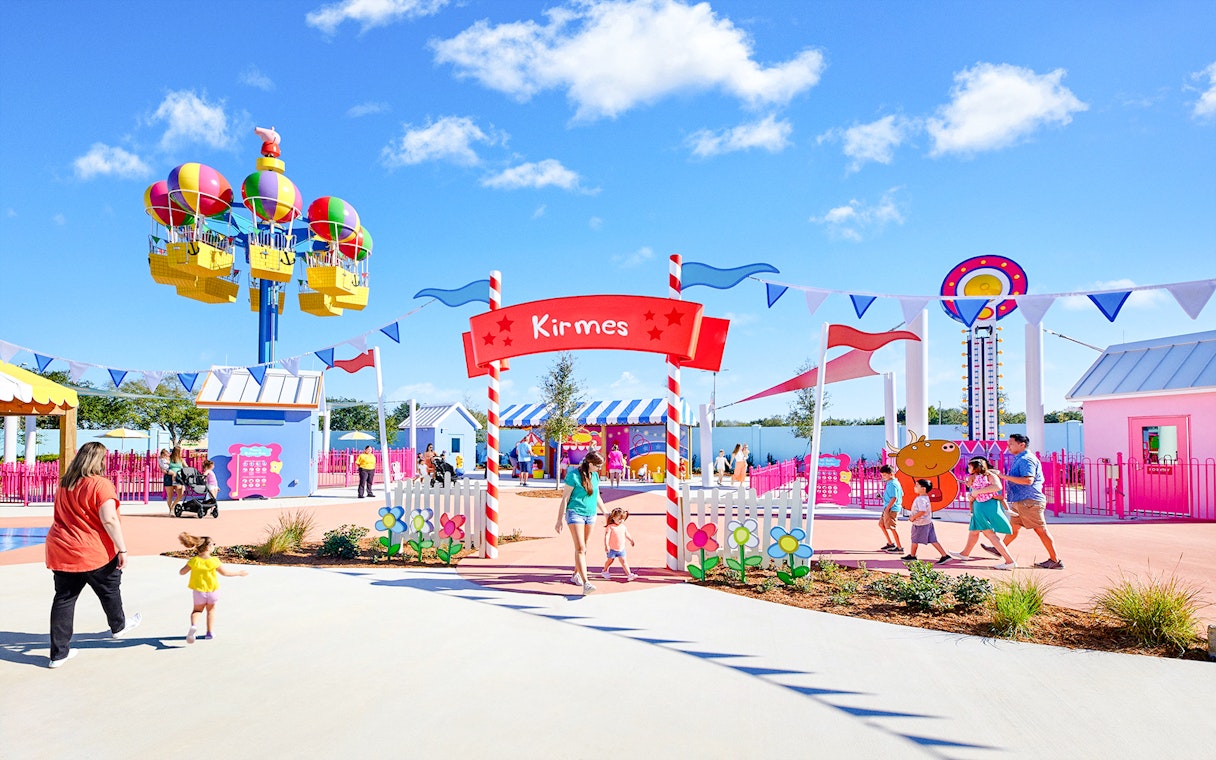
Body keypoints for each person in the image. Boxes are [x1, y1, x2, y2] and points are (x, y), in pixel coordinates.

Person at [44, 442, 141, 668]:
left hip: (62, 548)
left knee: (64, 599)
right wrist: (122, 548)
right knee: (109, 589)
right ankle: (119, 626)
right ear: (100, 461)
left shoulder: (64, 484)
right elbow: (109, 519)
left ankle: (58, 655)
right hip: (91, 549)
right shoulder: (101, 485)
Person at [985, 433, 1063, 569]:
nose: (1008, 446)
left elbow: (1028, 480)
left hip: (1029, 501)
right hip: (1021, 501)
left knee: (1040, 530)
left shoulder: (1026, 459)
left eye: (1011, 444)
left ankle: (1055, 560)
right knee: (1013, 529)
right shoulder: (1019, 458)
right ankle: (999, 549)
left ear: (1022, 445)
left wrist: (1002, 476)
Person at [177, 532, 248, 642]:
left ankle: (194, 626)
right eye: (213, 544)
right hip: (213, 592)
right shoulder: (214, 561)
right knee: (211, 611)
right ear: (208, 547)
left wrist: (188, 569)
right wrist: (239, 573)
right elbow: (225, 573)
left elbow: (182, 572)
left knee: (197, 611)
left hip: (199, 592)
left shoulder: (194, 561)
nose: (214, 546)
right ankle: (209, 633)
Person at [555, 450, 607, 595]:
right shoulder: (573, 475)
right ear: (590, 464)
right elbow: (565, 498)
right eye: (598, 466)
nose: (599, 468)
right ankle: (586, 583)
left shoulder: (595, 476)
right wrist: (559, 519)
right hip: (575, 513)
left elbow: (597, 497)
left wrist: (605, 512)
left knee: (584, 547)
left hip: (591, 515)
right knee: (580, 548)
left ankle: (575, 574)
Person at [955, 457, 1017, 569]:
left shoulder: (989, 475)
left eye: (970, 466)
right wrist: (972, 494)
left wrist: (977, 492)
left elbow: (998, 486)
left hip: (983, 506)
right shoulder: (981, 476)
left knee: (990, 534)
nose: (968, 468)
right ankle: (965, 554)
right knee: (974, 531)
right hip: (979, 505)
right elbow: (971, 487)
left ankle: (1009, 561)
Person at [903, 479, 962, 564]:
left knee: (914, 539)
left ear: (923, 488)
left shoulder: (920, 499)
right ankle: (944, 555)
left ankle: (912, 556)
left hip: (920, 523)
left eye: (917, 485)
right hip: (927, 522)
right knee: (933, 539)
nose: (914, 487)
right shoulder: (925, 497)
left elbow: (922, 511)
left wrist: (913, 517)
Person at [599, 507, 638, 581]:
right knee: (610, 560)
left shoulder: (623, 527)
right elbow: (606, 536)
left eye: (622, 519)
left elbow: (627, 534)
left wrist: (631, 540)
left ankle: (629, 574)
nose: (621, 521)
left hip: (621, 548)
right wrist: (606, 545)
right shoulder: (610, 527)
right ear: (613, 518)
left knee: (624, 561)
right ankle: (604, 570)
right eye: (619, 519)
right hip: (612, 549)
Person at [877, 465, 904, 553]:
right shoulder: (892, 483)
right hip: (888, 507)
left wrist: (888, 508)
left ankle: (899, 547)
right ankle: (890, 543)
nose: (883, 477)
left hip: (891, 508)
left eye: (884, 475)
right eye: (882, 475)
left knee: (892, 527)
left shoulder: (892, 484)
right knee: (881, 524)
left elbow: (894, 497)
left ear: (891, 474)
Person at [166, 446, 186, 512]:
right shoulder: (169, 459)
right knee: (170, 495)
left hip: (178, 478)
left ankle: (173, 506)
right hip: (169, 477)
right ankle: (170, 510)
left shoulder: (181, 460)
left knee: (180, 494)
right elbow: (164, 466)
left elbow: (186, 466)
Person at [157, 448, 173, 513]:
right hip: (167, 471)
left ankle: (171, 508)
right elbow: (170, 463)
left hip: (166, 471)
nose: (167, 456)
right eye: (166, 455)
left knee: (169, 495)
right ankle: (171, 508)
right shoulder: (163, 459)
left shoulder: (159, 459)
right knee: (173, 474)